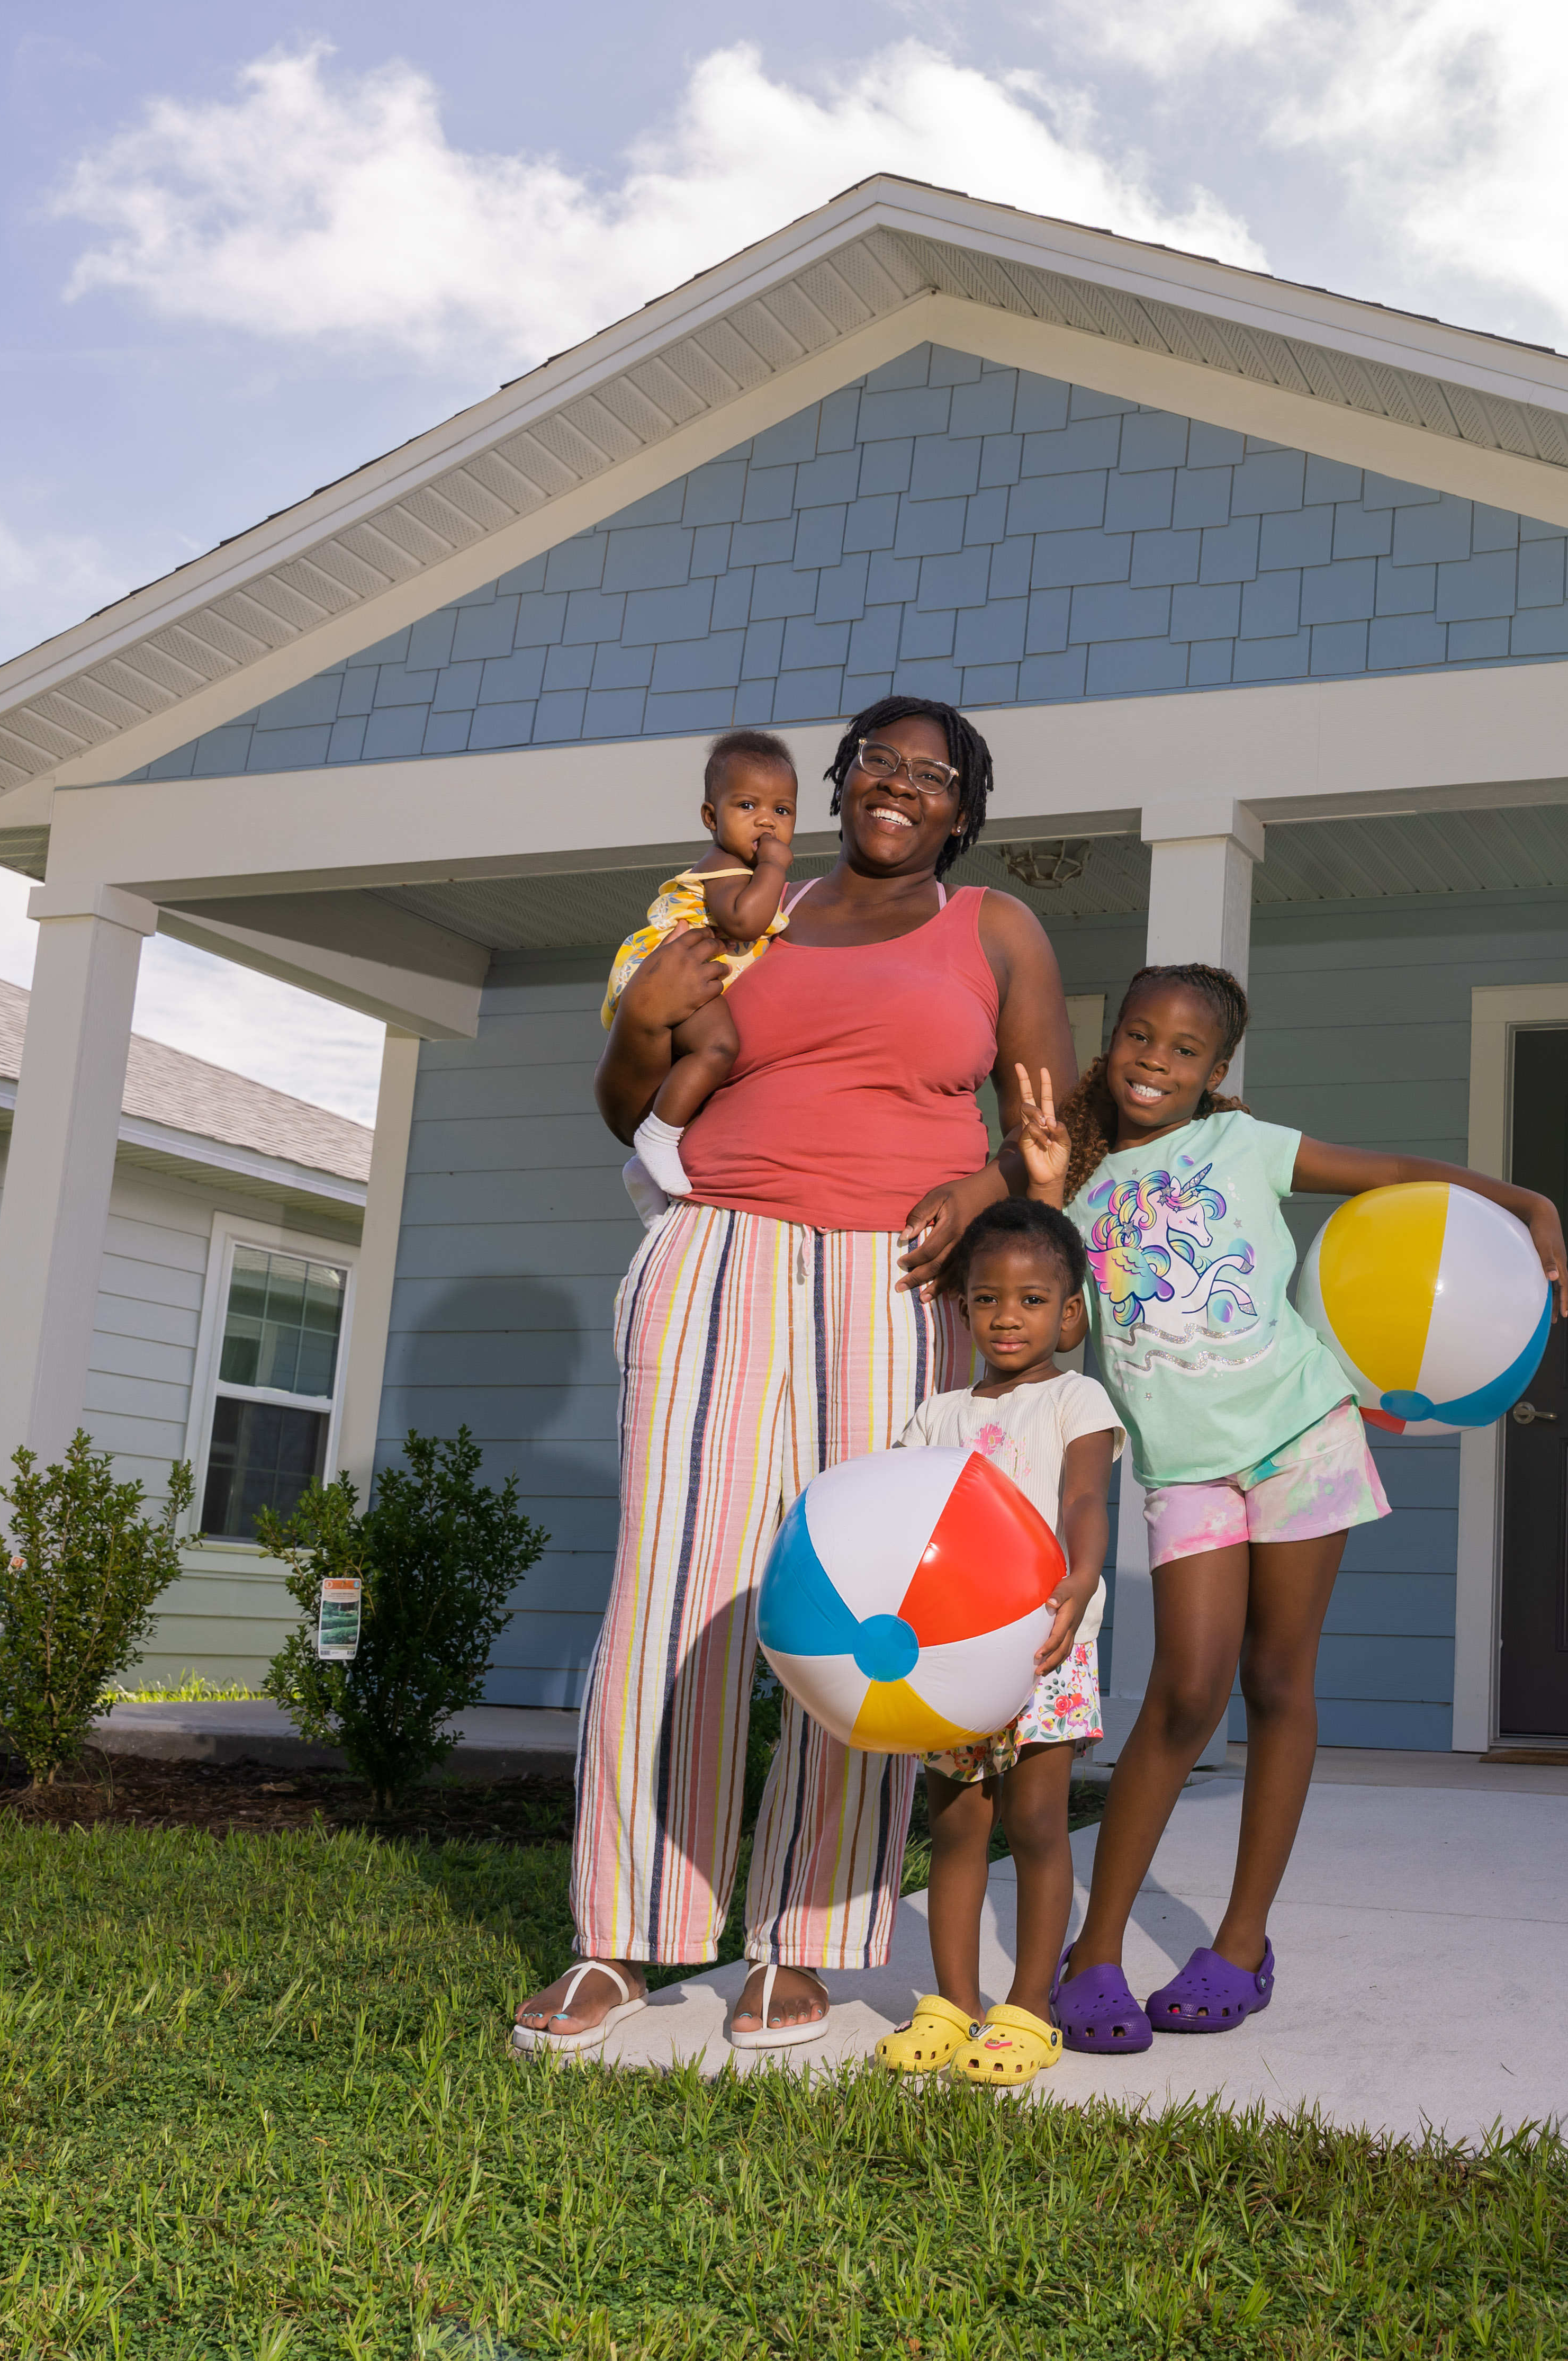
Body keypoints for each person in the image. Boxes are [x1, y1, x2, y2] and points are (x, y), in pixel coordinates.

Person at [511, 696, 1074, 2058]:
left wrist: (981, 1183)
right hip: (718, 1254)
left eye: (932, 777)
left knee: (858, 1599)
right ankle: (621, 1933)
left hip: (893, 1279)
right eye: (878, 762)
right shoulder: (741, 912)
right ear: (839, 781)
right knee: (670, 1589)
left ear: (963, 808)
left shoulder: (993, 929)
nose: (901, 786)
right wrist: (639, 1025)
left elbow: (1054, 1128)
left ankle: (806, 1939)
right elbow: (631, 1104)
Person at [1000, 964, 1568, 2050]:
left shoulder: (1246, 1144)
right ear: (1110, 1043)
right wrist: (1037, 1194)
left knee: (1275, 1681)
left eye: (1182, 1049)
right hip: (1185, 1468)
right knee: (1184, 1689)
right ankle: (1098, 1949)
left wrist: (1526, 1201)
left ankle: (1243, 1942)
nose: (1153, 1061)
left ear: (1217, 1071)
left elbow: (1396, 1174)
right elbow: (1059, 1329)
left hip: (1304, 1433)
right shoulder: (1072, 1187)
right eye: (1137, 1036)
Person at [871, 1196, 1120, 2088]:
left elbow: (1085, 1498)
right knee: (955, 1824)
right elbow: (900, 1522)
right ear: (963, 1307)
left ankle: (1029, 2008)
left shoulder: (1074, 1395)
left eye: (1029, 1298)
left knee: (1035, 1821)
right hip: (945, 1657)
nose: (1006, 1315)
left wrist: (1082, 1574)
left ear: (1068, 1312)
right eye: (986, 1298)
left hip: (1043, 1645)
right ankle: (950, 2001)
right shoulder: (935, 1415)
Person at [604, 729, 800, 1211]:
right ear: (711, 817)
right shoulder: (726, 867)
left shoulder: (742, 870)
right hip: (675, 970)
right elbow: (744, 920)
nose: (766, 823)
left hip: (696, 978)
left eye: (782, 810)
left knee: (703, 1066)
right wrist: (775, 866)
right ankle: (657, 1135)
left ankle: (645, 1167)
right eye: (747, 806)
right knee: (719, 1046)